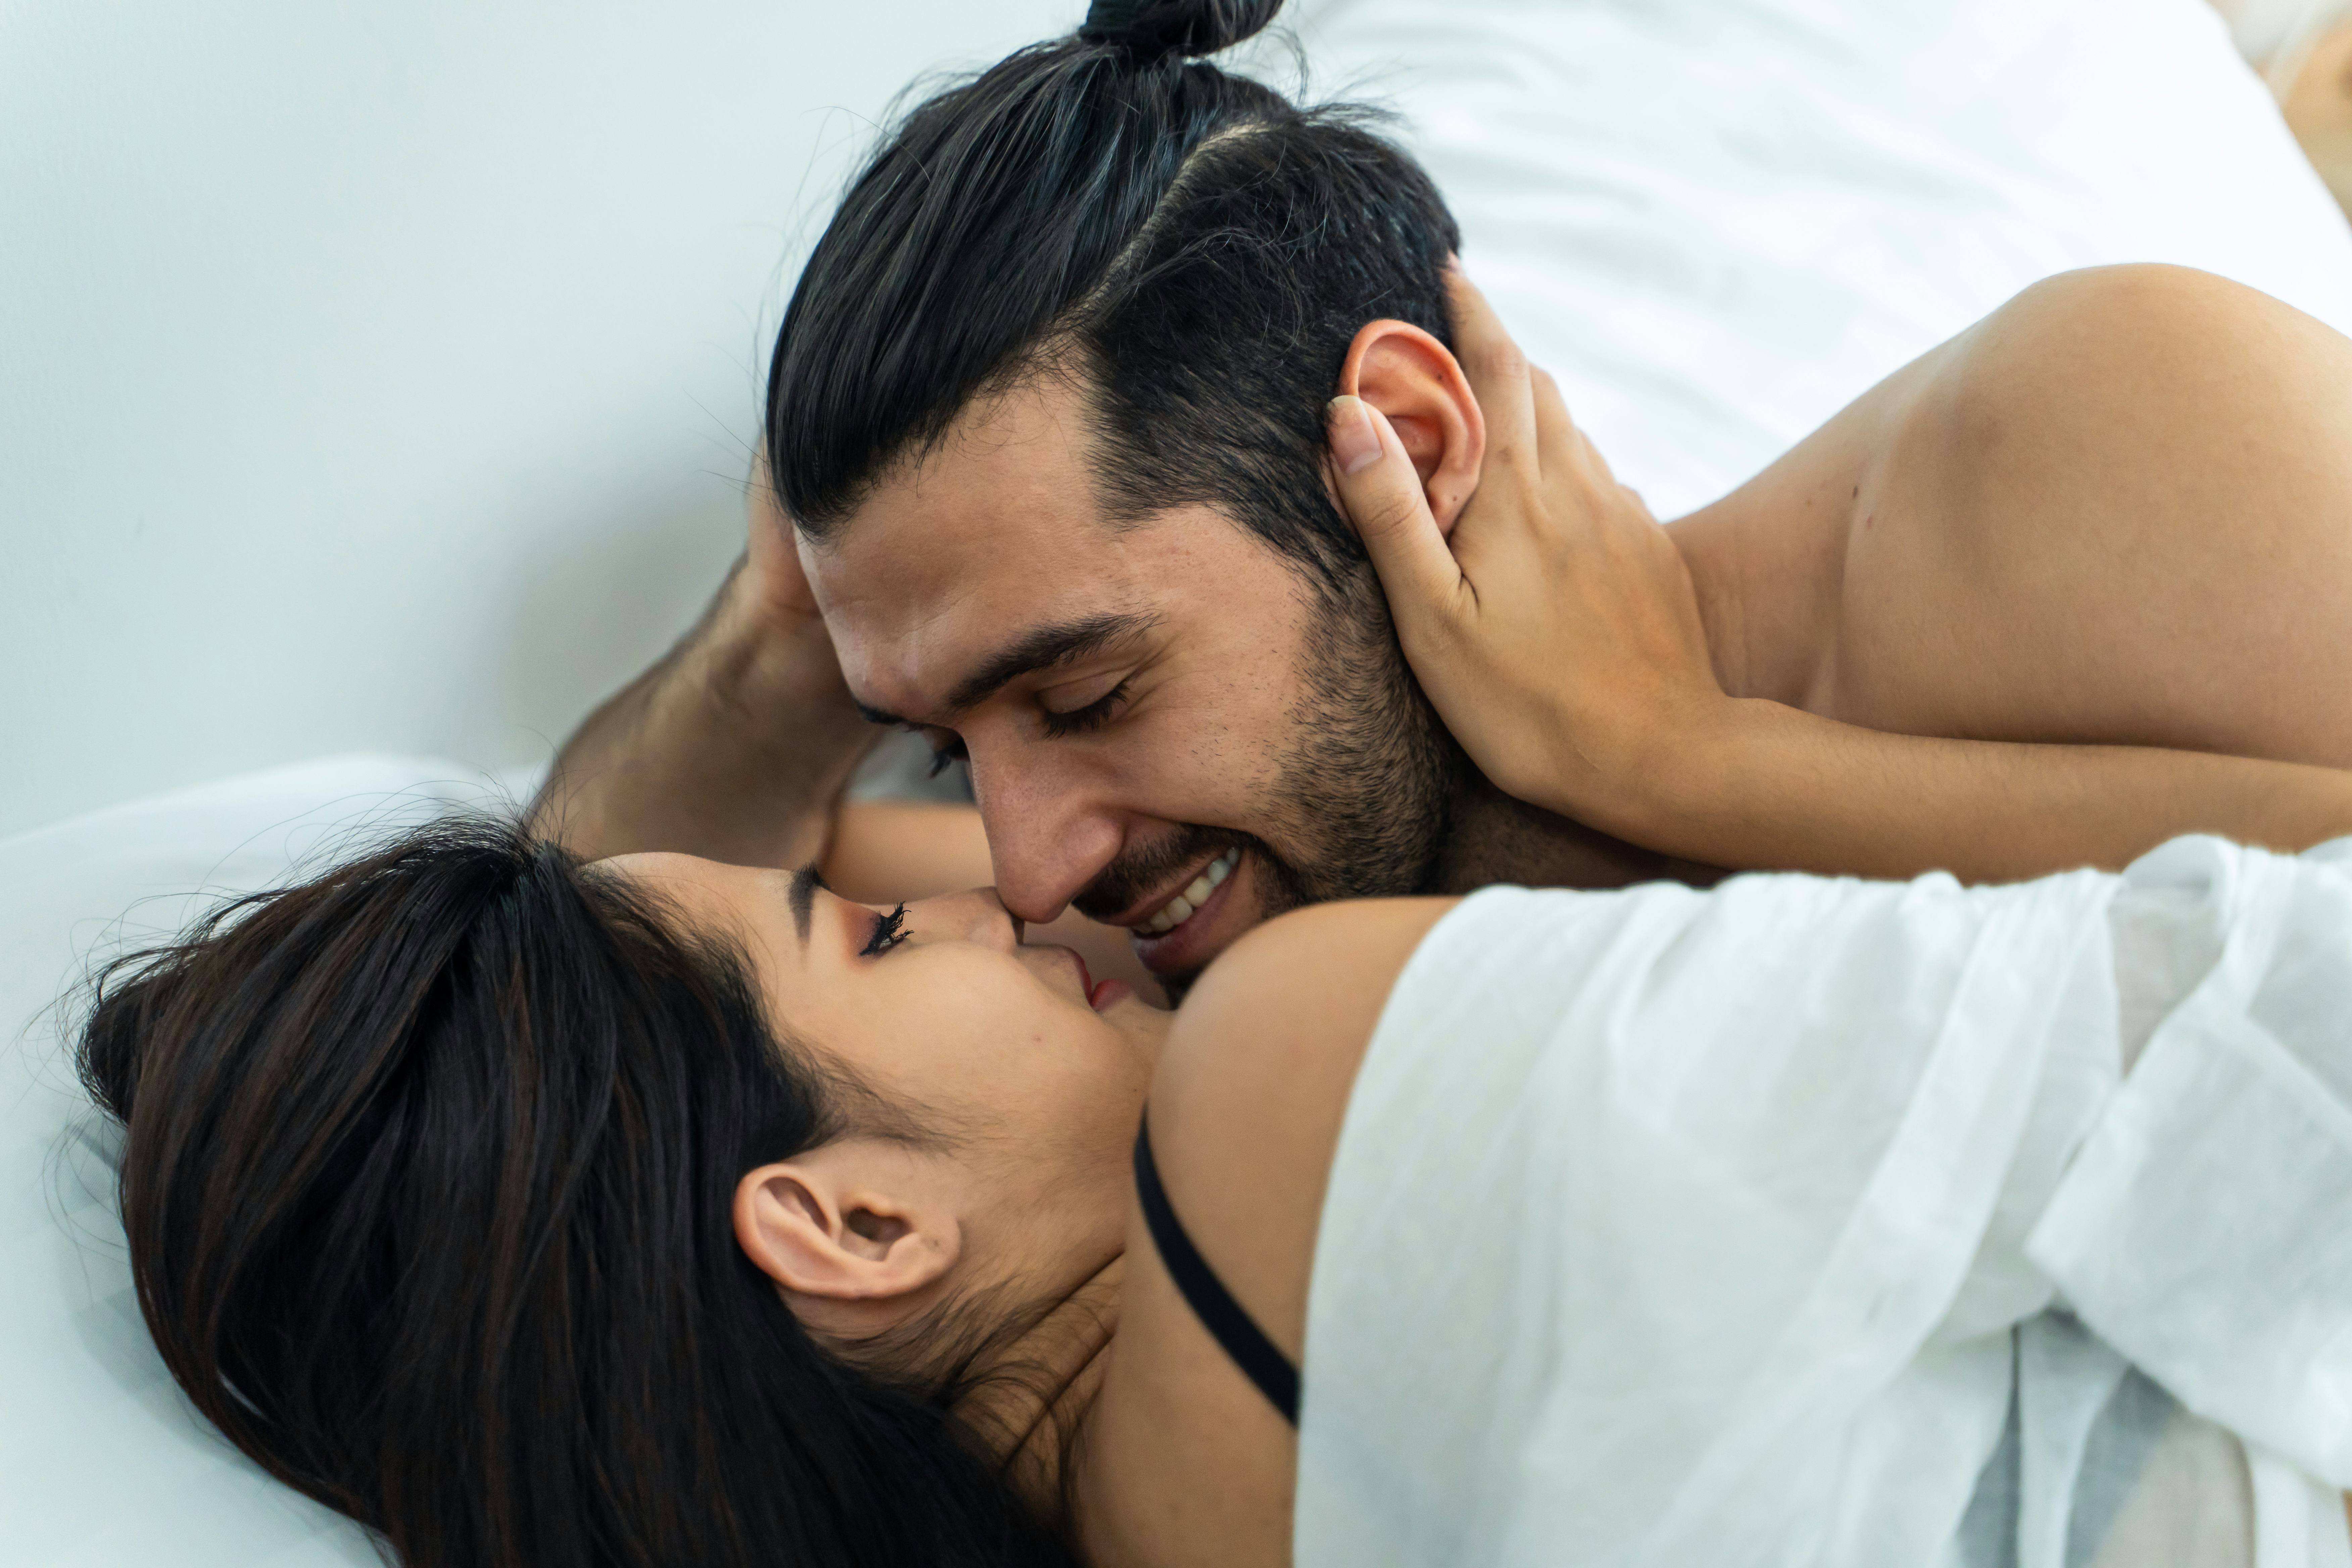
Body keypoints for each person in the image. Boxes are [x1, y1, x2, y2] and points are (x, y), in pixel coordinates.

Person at [538, 0, 2352, 1006]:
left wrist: (1685, 764)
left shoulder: (2076, 437)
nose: (1025, 866)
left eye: (1088, 692)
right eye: (953, 748)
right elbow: (576, 954)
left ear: (1406, 437)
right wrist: (795, 637)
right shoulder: (1192, 934)